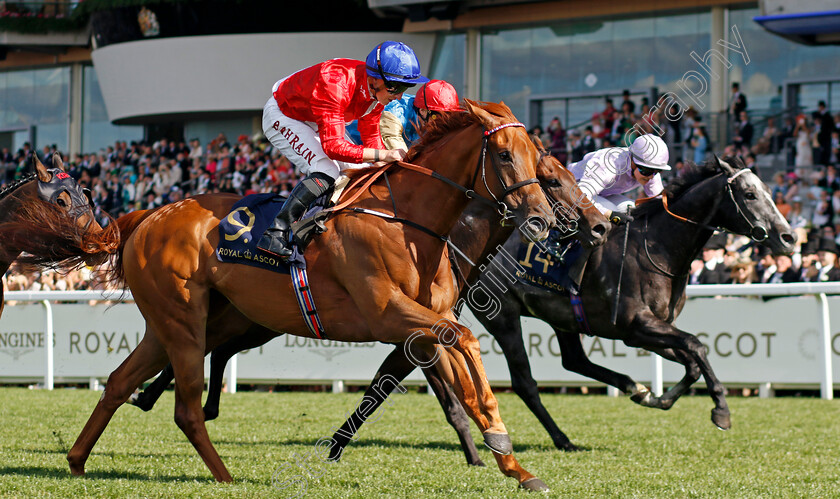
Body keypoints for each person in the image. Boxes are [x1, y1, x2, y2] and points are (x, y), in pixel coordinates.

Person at [257, 41, 429, 259]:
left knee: (365, 170)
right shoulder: (335, 83)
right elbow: (334, 148)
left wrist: (382, 163)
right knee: (327, 170)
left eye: (406, 88)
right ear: (375, 79)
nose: (399, 96)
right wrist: (385, 154)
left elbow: (371, 135)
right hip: (284, 114)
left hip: (313, 118)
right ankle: (276, 232)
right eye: (397, 87)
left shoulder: (376, 93)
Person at [569, 134, 670, 225]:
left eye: (657, 171)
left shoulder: (649, 171)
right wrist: (608, 214)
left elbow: (658, 200)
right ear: (632, 161)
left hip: (601, 193)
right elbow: (580, 195)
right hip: (573, 189)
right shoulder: (609, 165)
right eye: (647, 170)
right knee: (610, 214)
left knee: (632, 210)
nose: (652, 176)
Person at [379, 79, 460, 152]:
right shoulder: (395, 113)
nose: (442, 123)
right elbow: (399, 154)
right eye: (438, 117)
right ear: (423, 110)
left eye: (449, 117)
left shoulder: (425, 112)